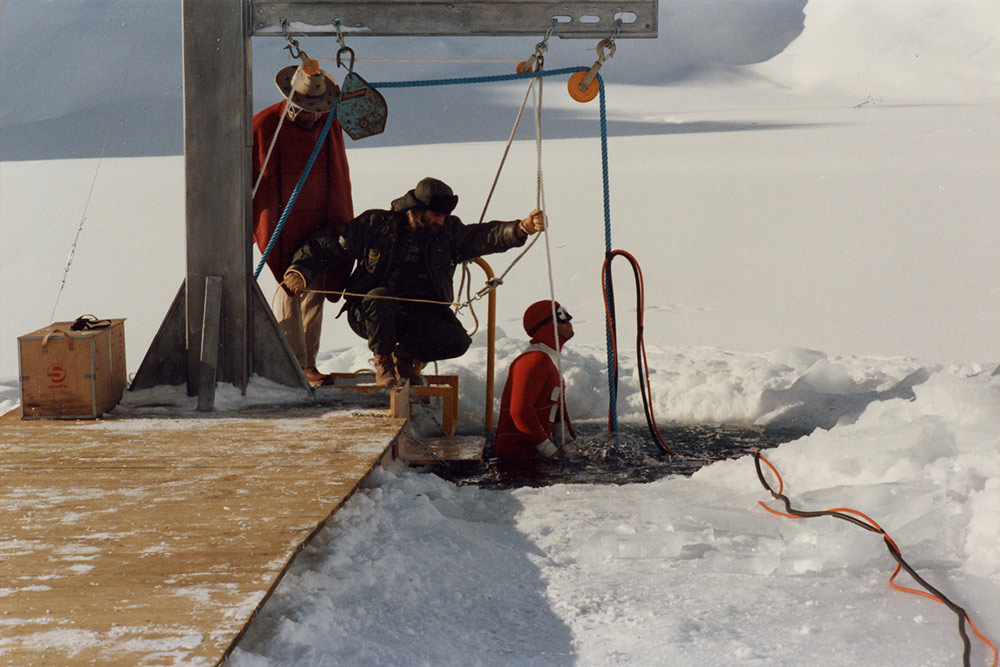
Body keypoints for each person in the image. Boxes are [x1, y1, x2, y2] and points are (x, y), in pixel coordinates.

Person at [282, 177, 545, 388]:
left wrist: (520, 229)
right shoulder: (376, 224)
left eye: (444, 216)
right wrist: (299, 270)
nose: (441, 221)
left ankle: (405, 359)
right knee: (381, 296)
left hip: (419, 317)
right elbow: (326, 244)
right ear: (416, 209)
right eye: (436, 215)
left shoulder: (448, 232)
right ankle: (383, 363)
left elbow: (483, 236)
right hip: (369, 312)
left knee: (457, 341)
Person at [252, 62, 354, 387]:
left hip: (321, 220)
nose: (312, 117)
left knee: (318, 287)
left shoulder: (328, 123)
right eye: (307, 110)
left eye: (318, 110)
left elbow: (337, 170)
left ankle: (308, 363)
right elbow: (252, 176)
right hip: (283, 221)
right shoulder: (265, 124)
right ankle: (292, 364)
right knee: (289, 285)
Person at [493, 300, 576, 461]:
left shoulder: (548, 357)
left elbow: (556, 411)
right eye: (561, 316)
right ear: (547, 325)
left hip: (532, 458)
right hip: (515, 464)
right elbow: (520, 411)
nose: (569, 320)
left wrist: (568, 446)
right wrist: (550, 451)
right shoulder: (534, 360)